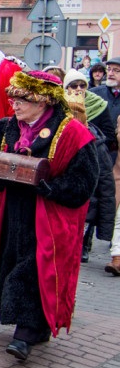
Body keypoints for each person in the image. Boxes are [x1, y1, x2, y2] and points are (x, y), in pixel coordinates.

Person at [0, 70, 98, 362]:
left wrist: (51, 188)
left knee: (35, 269)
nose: (14, 105)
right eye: (13, 99)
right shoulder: (5, 127)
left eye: (22, 100)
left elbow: (85, 181)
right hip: (11, 212)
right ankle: (34, 326)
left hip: (49, 216)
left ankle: (25, 334)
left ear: (43, 101)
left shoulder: (73, 132)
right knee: (12, 262)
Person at [63, 89, 115, 264]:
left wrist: (106, 228)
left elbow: (106, 184)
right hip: (58, 204)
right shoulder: (54, 137)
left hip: (84, 209)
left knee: (70, 253)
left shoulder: (95, 143)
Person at [89, 58, 120, 158]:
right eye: (109, 69)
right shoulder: (94, 94)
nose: (110, 73)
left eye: (116, 71)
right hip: (97, 152)